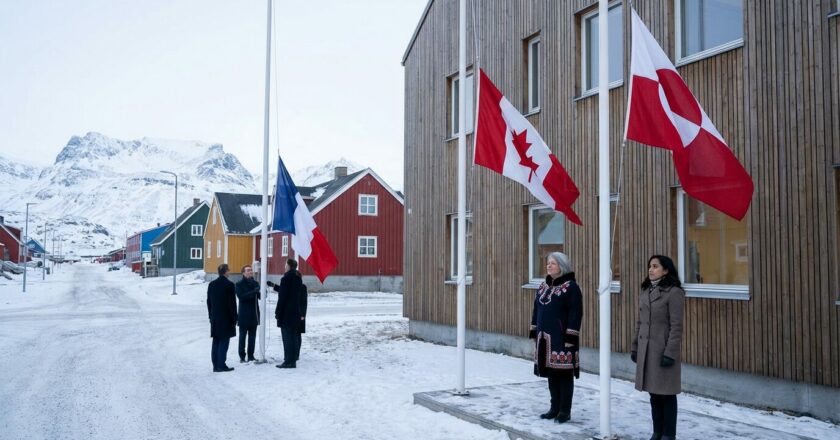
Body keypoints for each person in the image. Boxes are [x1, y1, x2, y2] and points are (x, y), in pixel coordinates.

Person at [631, 255, 685, 440]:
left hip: (663, 350)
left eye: (655, 266)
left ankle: (668, 434)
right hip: (647, 350)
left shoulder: (674, 292)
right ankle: (657, 431)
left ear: (666, 270)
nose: (651, 269)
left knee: (667, 395)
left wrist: (670, 353)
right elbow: (640, 322)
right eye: (649, 266)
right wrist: (635, 347)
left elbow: (677, 326)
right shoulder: (646, 291)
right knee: (654, 394)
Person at [530, 252, 582, 424]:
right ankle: (554, 408)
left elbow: (576, 314)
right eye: (548, 262)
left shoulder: (571, 287)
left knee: (564, 375)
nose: (549, 265)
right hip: (544, 338)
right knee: (552, 374)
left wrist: (571, 336)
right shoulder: (543, 286)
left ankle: (564, 411)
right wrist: (534, 330)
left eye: (553, 263)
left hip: (562, 338)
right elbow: (536, 309)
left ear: (562, 265)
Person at [268, 259, 304, 369]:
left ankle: (288, 361)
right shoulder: (298, 278)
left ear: (288, 266)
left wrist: (277, 312)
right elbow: (288, 292)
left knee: (287, 338)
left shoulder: (286, 278)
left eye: (285, 264)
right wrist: (274, 286)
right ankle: (292, 359)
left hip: (286, 313)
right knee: (293, 337)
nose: (284, 266)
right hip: (295, 312)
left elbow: (283, 297)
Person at [207, 264, 237, 372]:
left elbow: (209, 302)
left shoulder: (212, 284)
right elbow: (232, 304)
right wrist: (234, 318)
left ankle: (215, 365)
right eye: (228, 270)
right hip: (226, 318)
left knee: (216, 341)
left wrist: (210, 315)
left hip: (215, 317)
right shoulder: (229, 285)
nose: (229, 272)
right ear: (226, 272)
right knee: (224, 341)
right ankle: (221, 364)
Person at [235, 264, 260, 362]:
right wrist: (254, 292)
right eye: (248, 270)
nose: (250, 272)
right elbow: (241, 297)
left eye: (251, 270)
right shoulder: (239, 284)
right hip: (244, 314)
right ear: (243, 273)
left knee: (252, 337)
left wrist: (262, 291)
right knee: (242, 337)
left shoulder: (255, 283)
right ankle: (242, 356)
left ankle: (251, 355)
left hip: (254, 314)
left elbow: (261, 297)